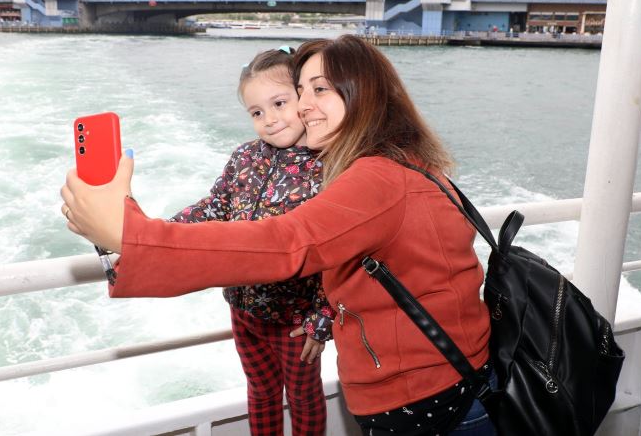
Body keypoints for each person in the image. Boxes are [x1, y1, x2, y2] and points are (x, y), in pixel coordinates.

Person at [61, 34, 495, 435]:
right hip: (431, 388)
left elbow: (284, 244)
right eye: (301, 91)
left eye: (319, 89)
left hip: (430, 400)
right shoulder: (398, 162)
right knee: (262, 390)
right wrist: (138, 236)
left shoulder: (373, 178)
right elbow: (221, 213)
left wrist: (129, 234)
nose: (303, 107)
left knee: (302, 398)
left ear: (364, 92)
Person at [167, 46, 334, 436]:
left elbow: (340, 253)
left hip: (296, 319)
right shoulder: (244, 157)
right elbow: (215, 207)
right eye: (257, 112)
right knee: (260, 392)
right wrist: (157, 232)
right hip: (243, 310)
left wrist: (322, 319)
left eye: (279, 104)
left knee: (304, 398)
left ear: (302, 98)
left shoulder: (328, 167)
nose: (270, 120)